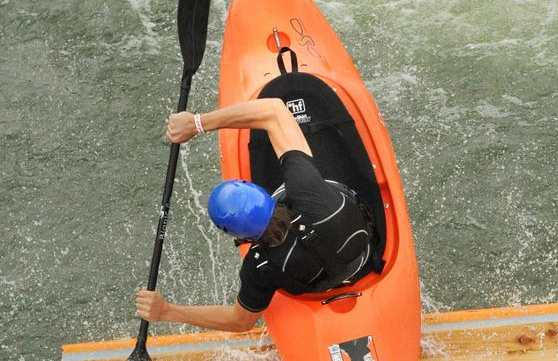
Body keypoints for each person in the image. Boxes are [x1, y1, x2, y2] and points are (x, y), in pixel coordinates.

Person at [135, 98, 378, 332]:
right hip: (363, 254)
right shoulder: (306, 188)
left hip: (316, 283)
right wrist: (197, 123)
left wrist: (166, 311)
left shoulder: (260, 266)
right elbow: (274, 110)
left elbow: (239, 321)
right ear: (259, 192)